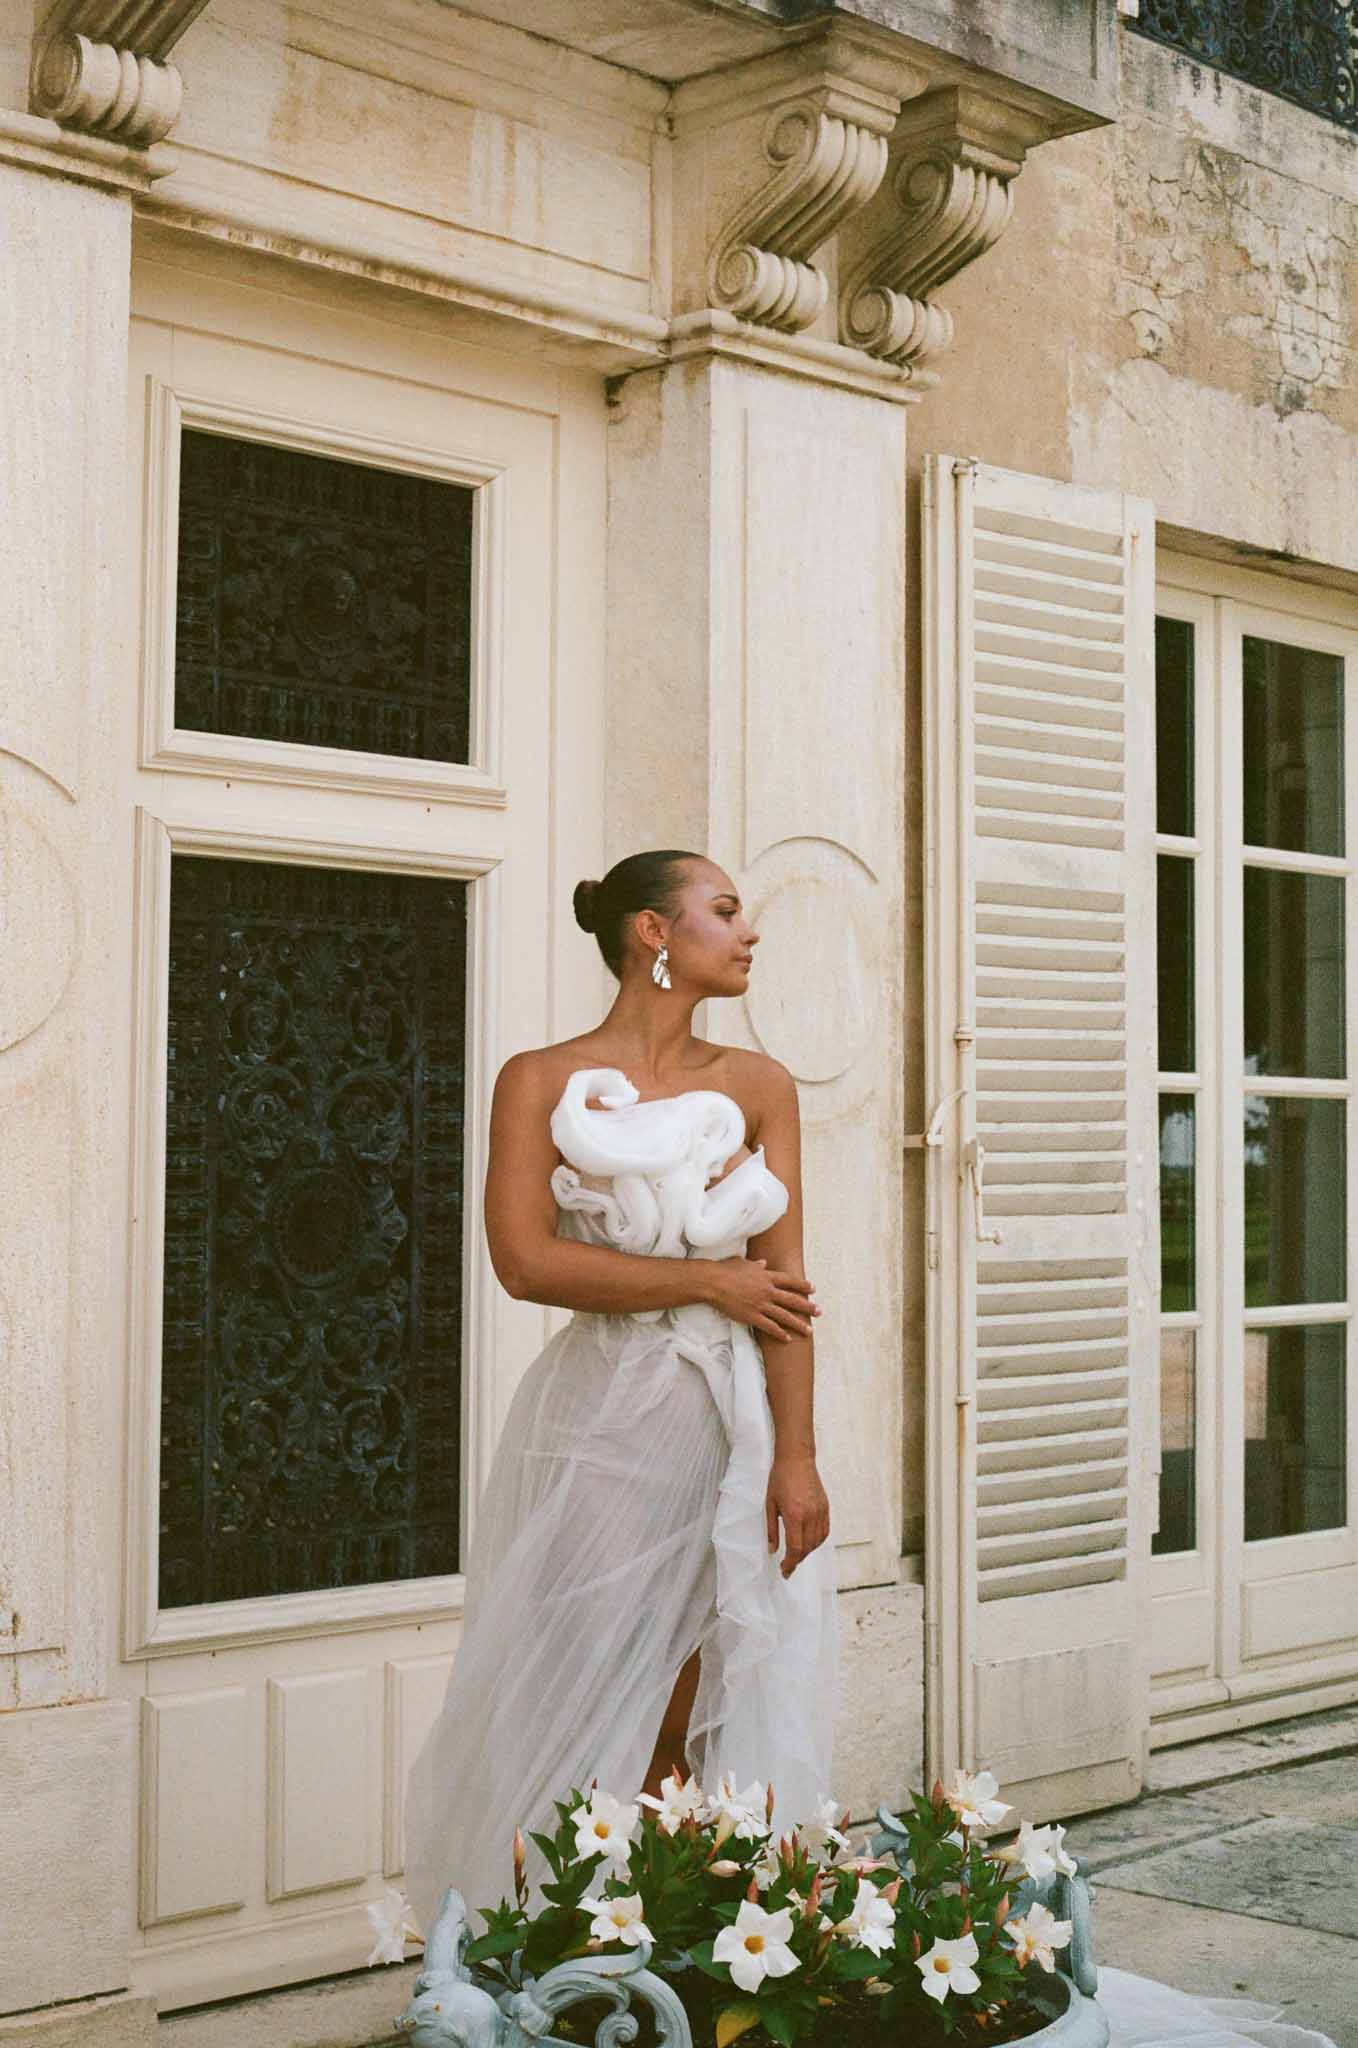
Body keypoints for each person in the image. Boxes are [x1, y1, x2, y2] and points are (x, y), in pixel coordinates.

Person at [404, 849, 838, 1934]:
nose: (746, 933)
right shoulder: (540, 1078)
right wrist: (705, 1279)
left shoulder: (757, 1085)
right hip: (599, 1419)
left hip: (722, 1425)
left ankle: (692, 1946)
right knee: (601, 1670)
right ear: (653, 930)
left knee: (706, 1686)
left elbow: (781, 1292)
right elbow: (524, 1260)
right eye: (724, 911)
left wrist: (795, 1454)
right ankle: (572, 1941)